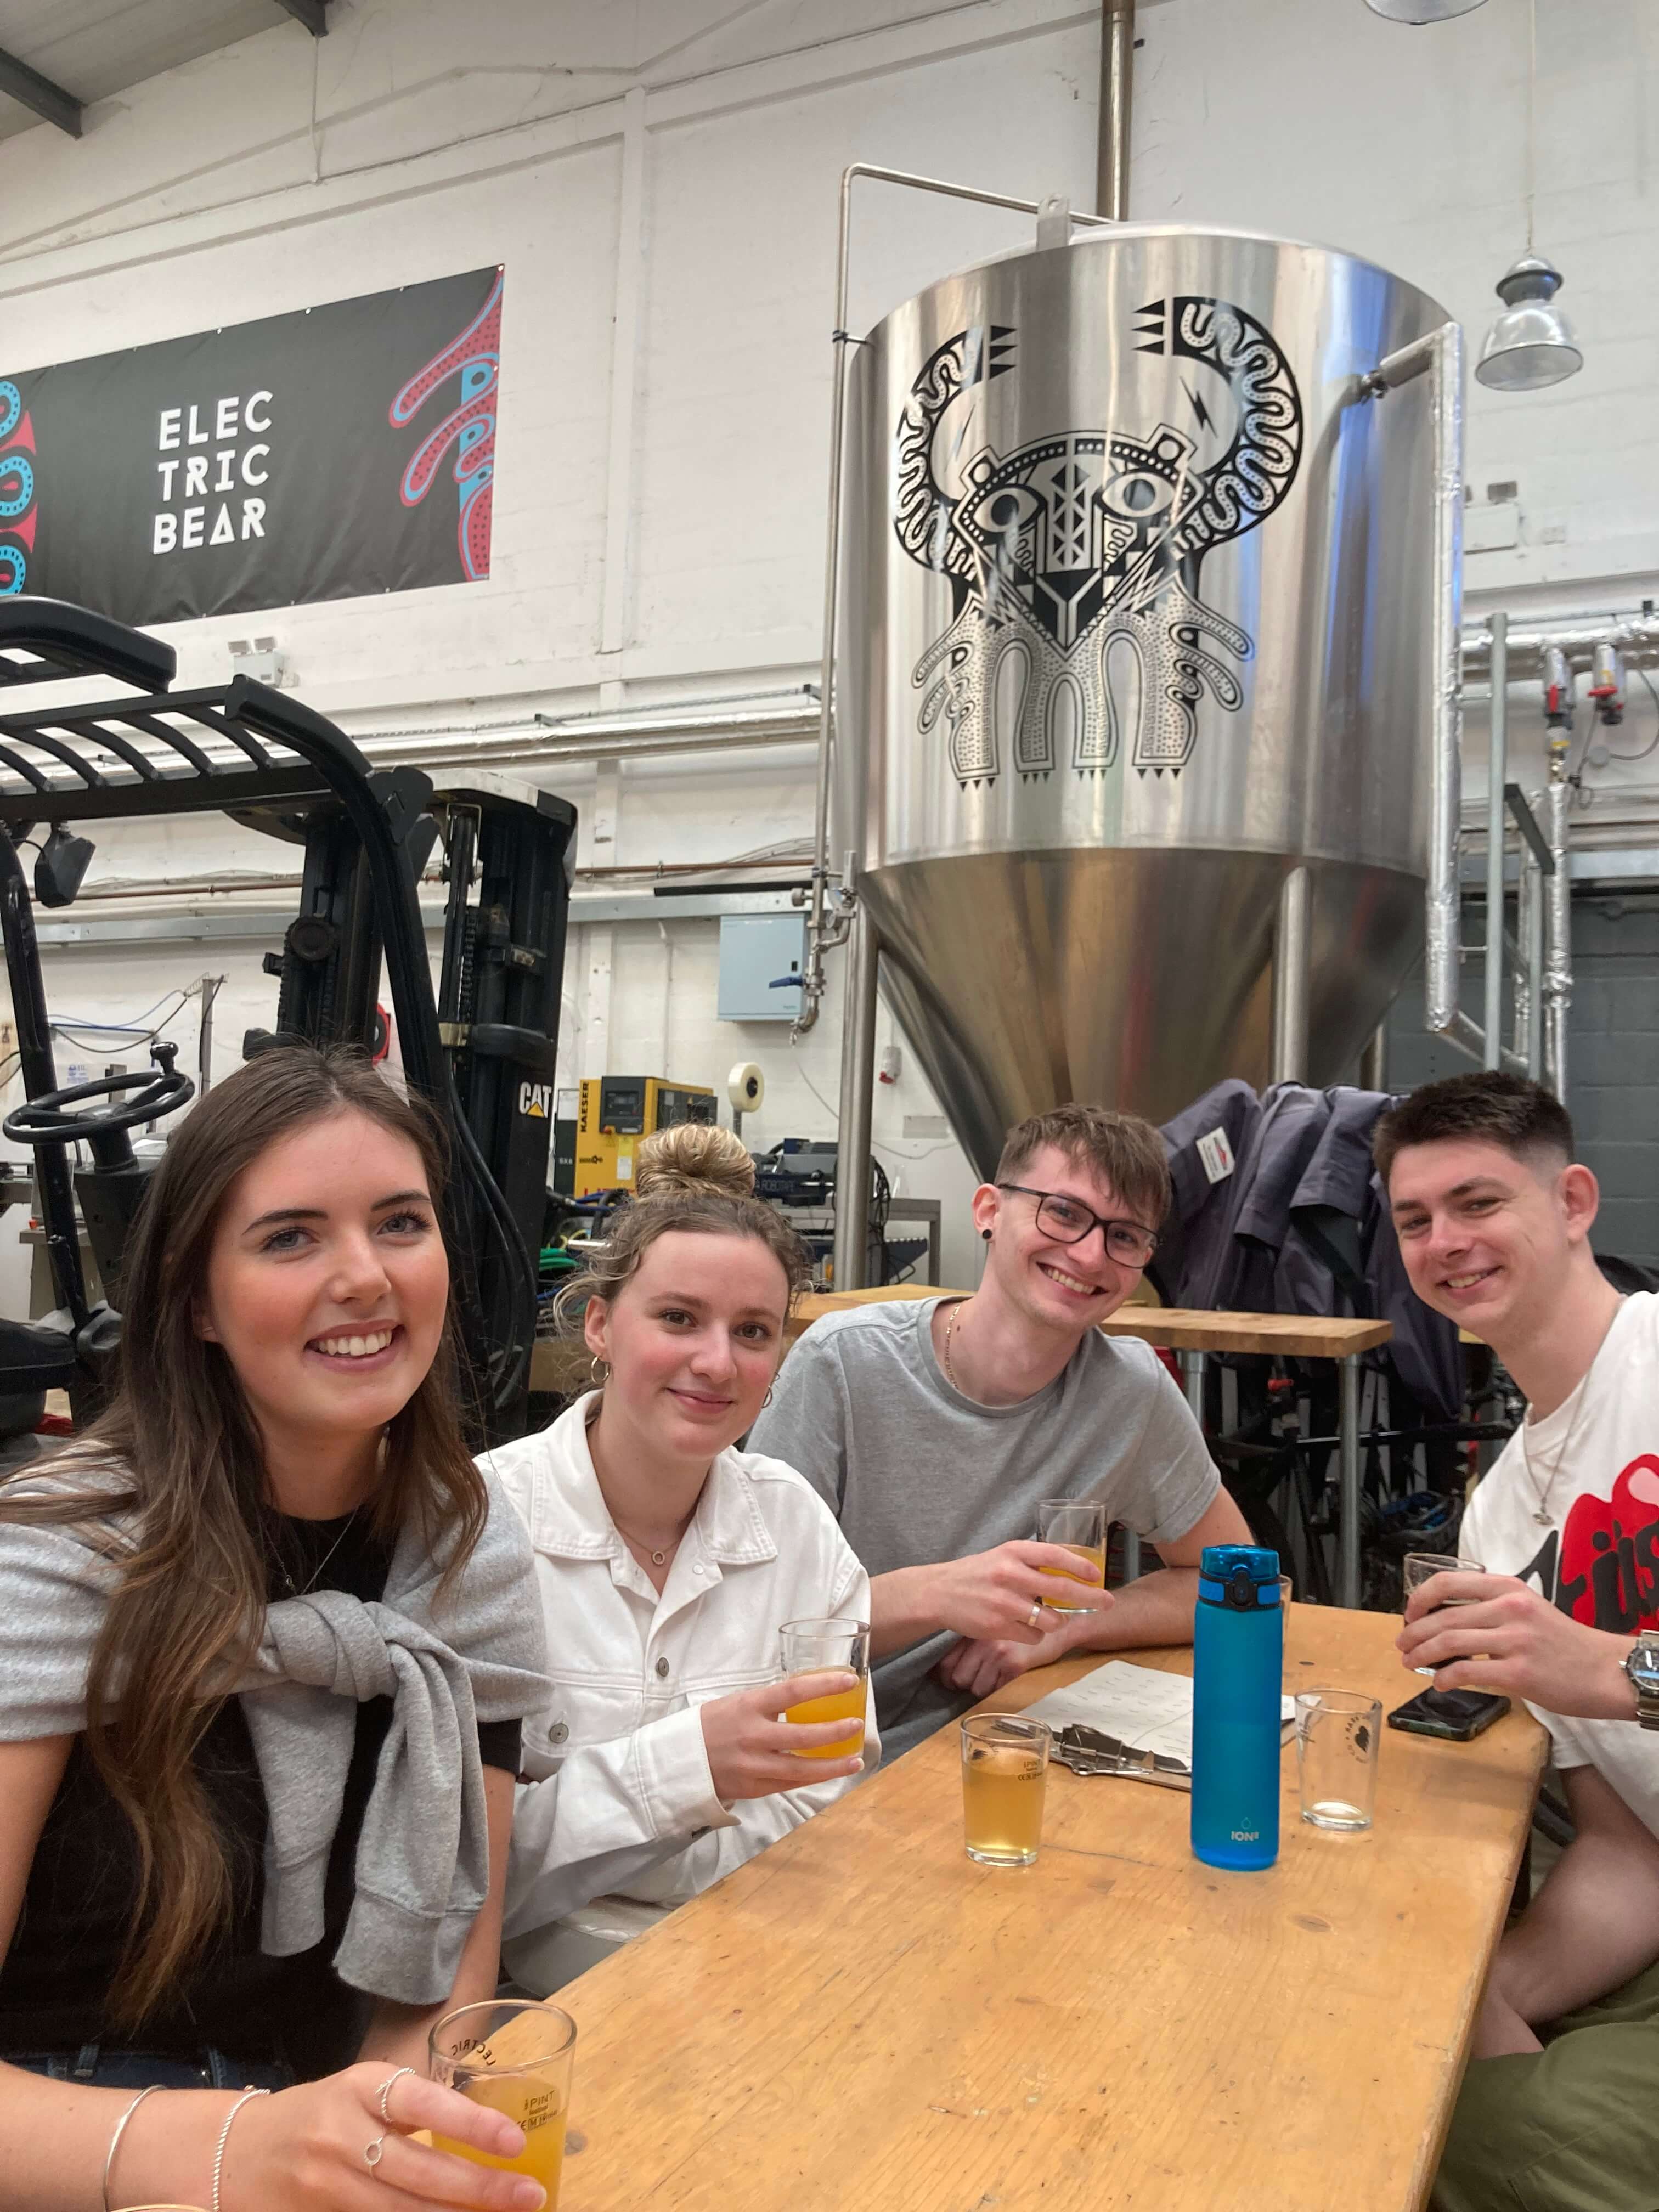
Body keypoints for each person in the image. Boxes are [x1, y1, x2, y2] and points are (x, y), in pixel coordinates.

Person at [0, 1046, 552, 2212]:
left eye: (400, 1223)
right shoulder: (58, 1558)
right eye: (291, 1237)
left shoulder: (465, 1555)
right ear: (195, 1301)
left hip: (315, 2133)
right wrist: (241, 2152)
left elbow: (445, 1987)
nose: (365, 1277)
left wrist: (382, 2142)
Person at [487, 1122, 878, 1996]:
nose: (716, 1362)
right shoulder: (483, 1529)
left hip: (762, 1970)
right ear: (598, 1325)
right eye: (677, 1318)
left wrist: (604, 1851)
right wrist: (687, 1771)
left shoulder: (798, 1528)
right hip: (530, 2003)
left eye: (753, 1331)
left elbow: (832, 1805)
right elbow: (452, 1886)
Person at [748, 1103, 1252, 1762]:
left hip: (999, 1751)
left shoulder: (1131, 1390)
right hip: (821, 1764)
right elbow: (749, 1616)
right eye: (1063, 1213)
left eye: (1124, 1236)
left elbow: (1240, 1585)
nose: (1090, 1253)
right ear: (988, 1210)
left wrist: (1065, 1630)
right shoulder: (844, 1363)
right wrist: (937, 1595)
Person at [1376, 1070, 1659, 2212]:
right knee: (1381, 2062)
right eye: (1414, 1220)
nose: (1446, 1241)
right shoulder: (1496, 1517)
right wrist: (1473, 1998)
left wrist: (1608, 1668)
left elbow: (1603, 1680)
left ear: (1575, 1201)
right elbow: (1629, 1850)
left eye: (1479, 1203)